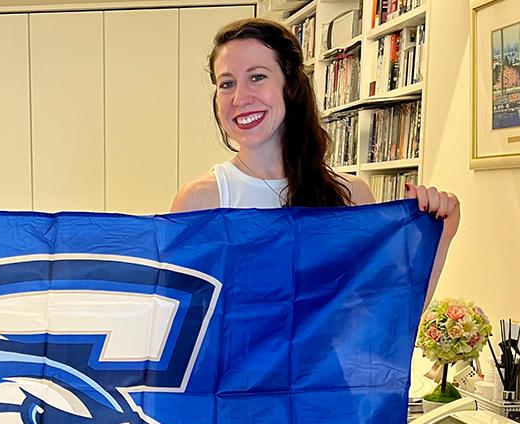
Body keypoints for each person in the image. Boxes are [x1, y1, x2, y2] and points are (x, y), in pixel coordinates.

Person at [171, 18, 458, 306]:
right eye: (226, 83)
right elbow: (175, 319)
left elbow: (386, 315)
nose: (239, 97)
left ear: (290, 86)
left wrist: (440, 236)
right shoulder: (200, 200)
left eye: (257, 77)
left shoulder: (350, 195)